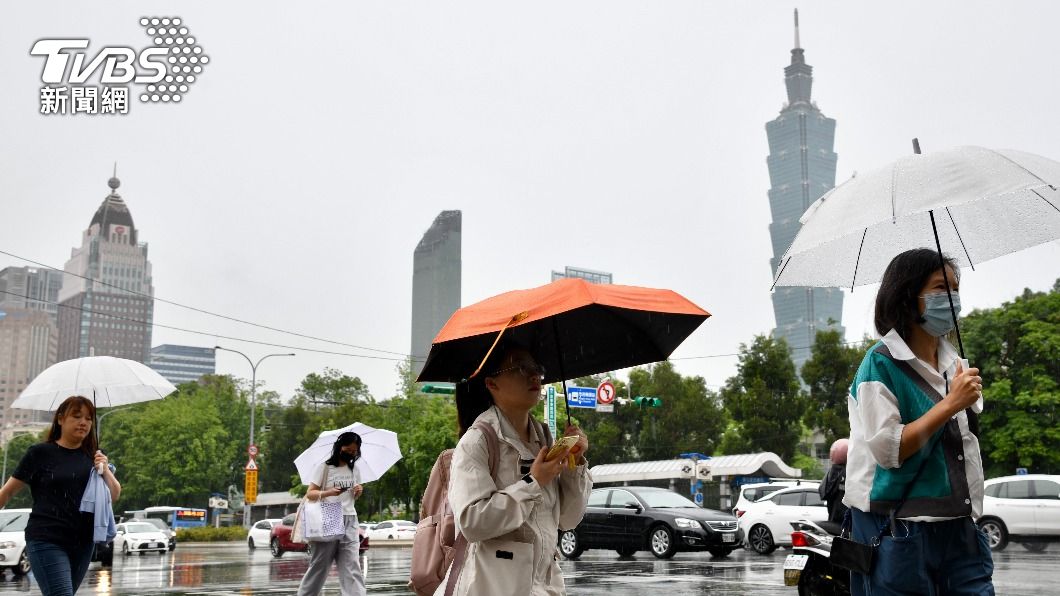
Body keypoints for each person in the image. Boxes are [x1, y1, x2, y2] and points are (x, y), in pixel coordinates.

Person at [843, 248, 993, 595]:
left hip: (961, 526)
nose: (952, 299)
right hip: (901, 527)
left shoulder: (956, 364)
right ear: (908, 295)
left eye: (955, 289)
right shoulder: (879, 364)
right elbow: (888, 449)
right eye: (941, 288)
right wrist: (952, 402)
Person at [437, 342, 593, 596]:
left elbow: (568, 519)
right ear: (491, 384)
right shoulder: (477, 441)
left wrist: (575, 464)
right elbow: (473, 523)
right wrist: (533, 483)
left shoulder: (544, 439)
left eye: (536, 368)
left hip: (544, 585)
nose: (534, 376)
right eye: (520, 368)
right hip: (493, 586)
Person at [0, 395, 120, 596]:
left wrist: (105, 469)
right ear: (61, 419)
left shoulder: (94, 456)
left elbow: (114, 495)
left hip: (83, 542)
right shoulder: (39, 453)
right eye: (77, 416)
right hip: (46, 539)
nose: (84, 422)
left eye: (89, 418)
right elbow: (8, 491)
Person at [297, 431, 366, 596]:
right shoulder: (324, 468)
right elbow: (310, 494)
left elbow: (353, 497)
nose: (351, 454)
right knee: (320, 565)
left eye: (354, 451)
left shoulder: (354, 469)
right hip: (329, 516)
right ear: (339, 447)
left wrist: (358, 490)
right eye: (348, 450)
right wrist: (328, 493)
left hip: (350, 518)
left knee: (351, 565)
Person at [819, 438, 849, 525]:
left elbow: (822, 492)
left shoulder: (833, 471)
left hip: (834, 519)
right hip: (845, 523)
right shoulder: (849, 473)